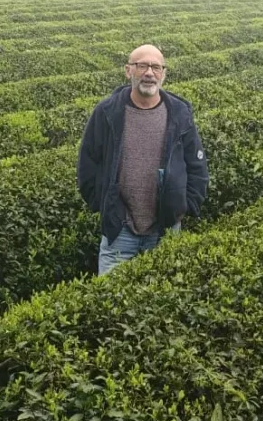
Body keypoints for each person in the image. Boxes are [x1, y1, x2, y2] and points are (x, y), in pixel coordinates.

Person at [77, 44, 208, 276]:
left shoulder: (179, 113)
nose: (149, 73)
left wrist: (184, 206)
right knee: (112, 304)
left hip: (165, 229)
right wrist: (104, 204)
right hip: (120, 232)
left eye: (156, 67)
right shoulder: (107, 112)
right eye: (142, 66)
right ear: (128, 71)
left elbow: (196, 164)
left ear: (163, 74)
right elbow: (88, 163)